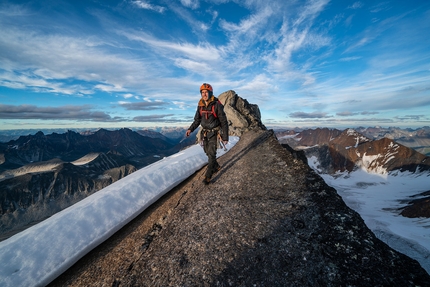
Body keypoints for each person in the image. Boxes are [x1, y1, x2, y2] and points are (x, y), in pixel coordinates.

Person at [186, 83, 229, 185]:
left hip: (214, 133)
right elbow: (197, 120)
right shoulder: (200, 105)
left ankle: (208, 176)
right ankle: (216, 166)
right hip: (205, 133)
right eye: (202, 92)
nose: (204, 94)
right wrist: (190, 129)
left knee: (211, 154)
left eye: (206, 92)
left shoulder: (216, 105)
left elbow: (224, 121)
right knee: (207, 152)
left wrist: (225, 137)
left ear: (210, 93)